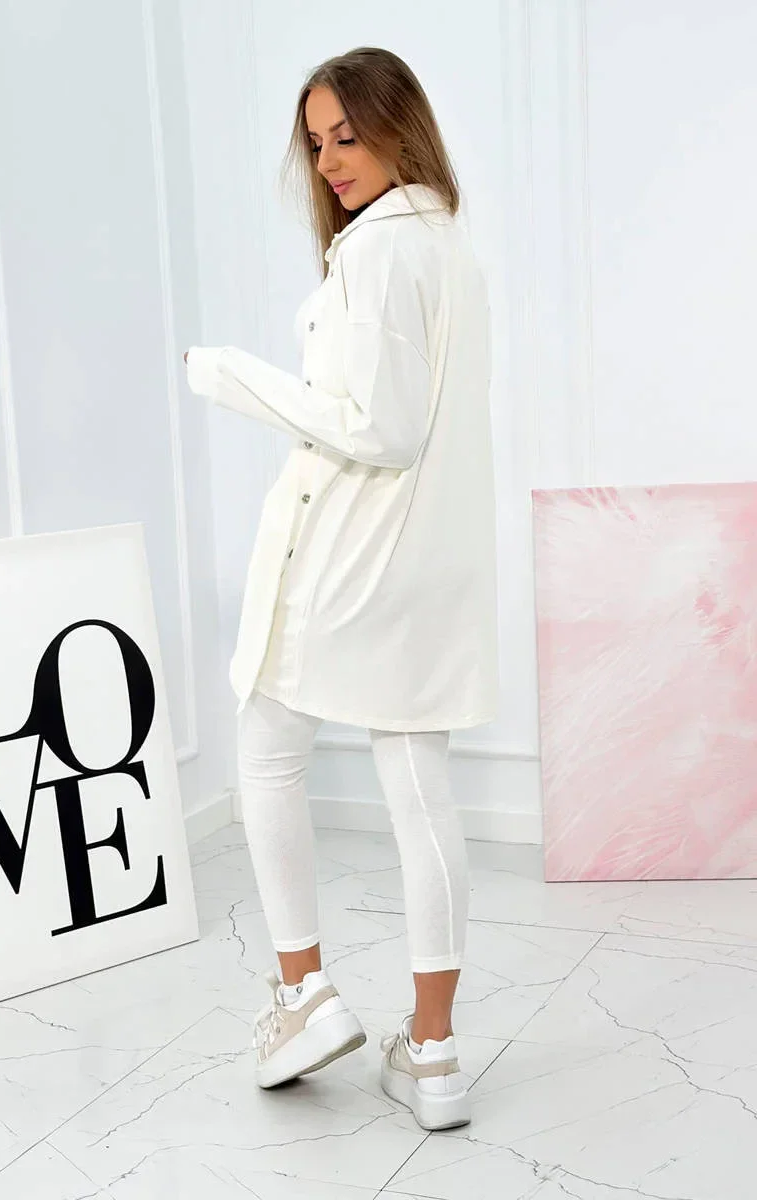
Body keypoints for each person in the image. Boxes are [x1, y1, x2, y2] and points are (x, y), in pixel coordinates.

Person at [184, 45, 497, 1132]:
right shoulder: (448, 246)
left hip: (352, 555)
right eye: (316, 144)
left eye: (346, 137)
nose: (327, 162)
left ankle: (304, 997)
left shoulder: (373, 256)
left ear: (398, 125)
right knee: (419, 788)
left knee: (266, 749)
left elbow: (383, 429)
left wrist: (237, 379)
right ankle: (435, 1053)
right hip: (432, 564)